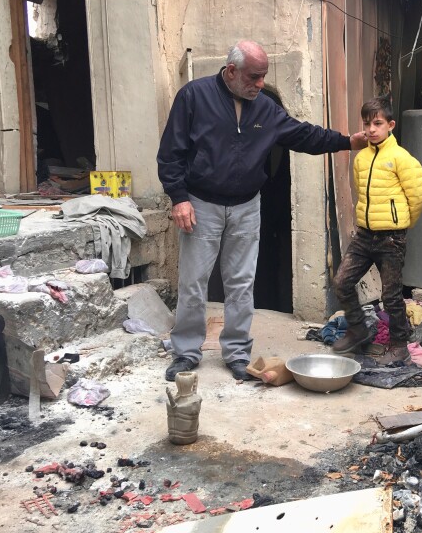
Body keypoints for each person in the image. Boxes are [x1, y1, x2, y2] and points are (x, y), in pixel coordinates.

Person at [157, 39, 367, 381]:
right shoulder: (194, 96)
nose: (259, 84)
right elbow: (171, 152)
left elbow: (303, 135)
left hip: (246, 206)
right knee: (194, 282)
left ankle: (237, 352)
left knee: (240, 283)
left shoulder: (265, 108)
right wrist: (178, 197)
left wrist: (346, 142)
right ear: (230, 71)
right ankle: (186, 353)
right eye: (254, 77)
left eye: (263, 77)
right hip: (201, 205)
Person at [331, 96, 422, 364]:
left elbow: (417, 197)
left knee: (391, 296)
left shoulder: (401, 158)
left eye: (377, 123)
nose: (371, 129)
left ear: (390, 125)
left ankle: (399, 346)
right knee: (342, 282)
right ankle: (358, 329)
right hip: (364, 236)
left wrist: (401, 224)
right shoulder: (361, 158)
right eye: (367, 123)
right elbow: (361, 193)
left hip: (391, 238)